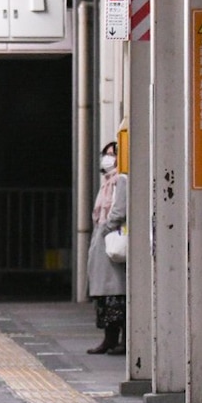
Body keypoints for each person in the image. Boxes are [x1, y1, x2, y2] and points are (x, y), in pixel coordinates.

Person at [85, 141, 127, 355]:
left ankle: (121, 340)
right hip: (103, 240)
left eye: (112, 154)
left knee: (117, 293)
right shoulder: (106, 182)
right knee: (106, 294)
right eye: (106, 154)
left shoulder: (121, 180)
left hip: (113, 239)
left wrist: (106, 227)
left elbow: (119, 210)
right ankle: (109, 339)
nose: (108, 158)